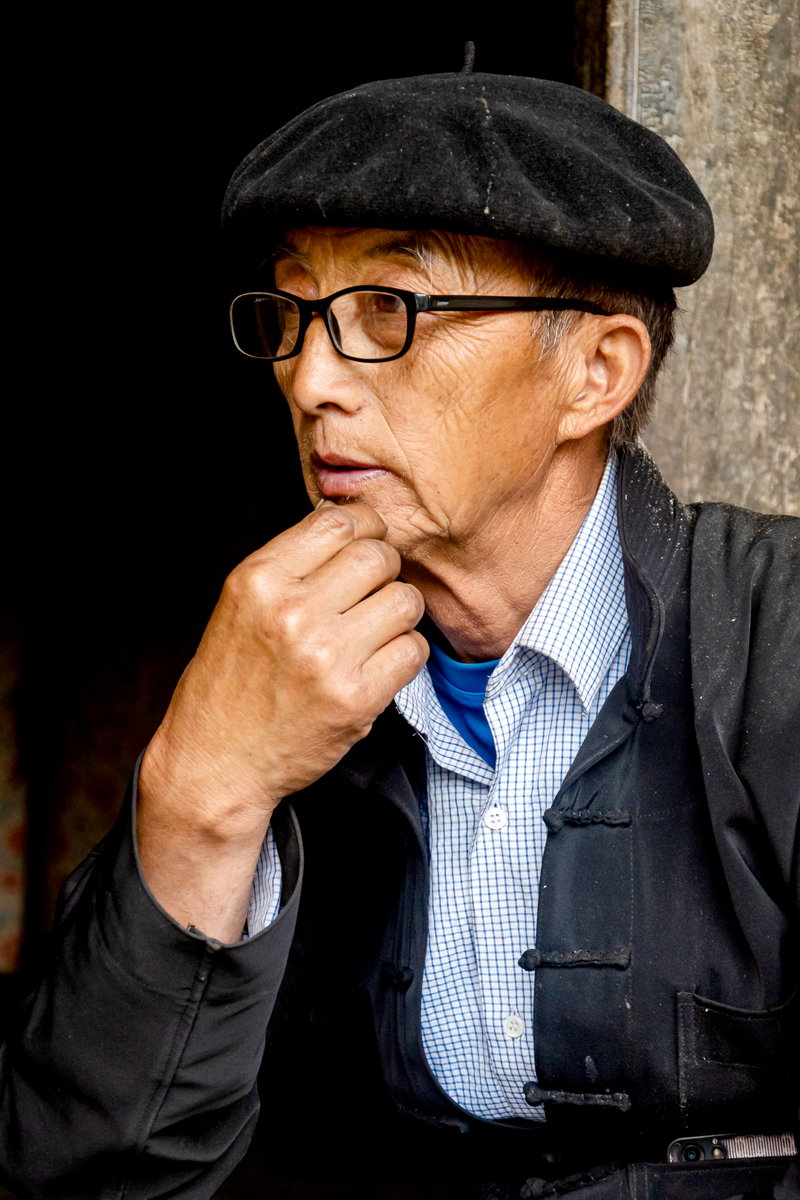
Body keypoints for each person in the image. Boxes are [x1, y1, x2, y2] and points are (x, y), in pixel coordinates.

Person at [1, 65, 798, 1200]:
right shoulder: (287, 681)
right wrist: (200, 790)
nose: (312, 378)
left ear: (594, 372)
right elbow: (87, 1177)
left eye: (391, 310)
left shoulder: (776, 640)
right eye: (293, 309)